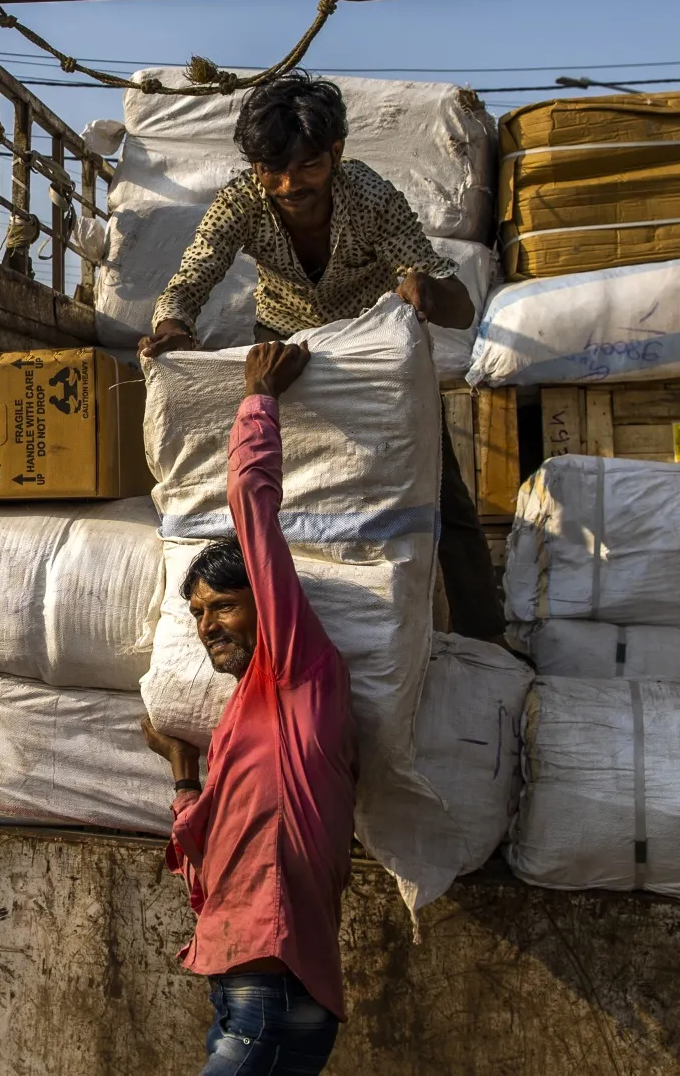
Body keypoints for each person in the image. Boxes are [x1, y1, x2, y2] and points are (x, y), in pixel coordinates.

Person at [139, 73, 502, 641]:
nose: (289, 185)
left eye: (307, 166)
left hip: (368, 361)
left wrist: (426, 290)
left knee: (443, 498)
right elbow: (194, 274)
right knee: (277, 491)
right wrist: (172, 324)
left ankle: (485, 637)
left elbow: (450, 297)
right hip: (284, 361)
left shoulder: (372, 197)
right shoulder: (242, 200)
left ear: (336, 152)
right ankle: (287, 623)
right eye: (272, 170)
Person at [144, 341, 355, 1075]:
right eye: (197, 613)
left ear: (265, 607)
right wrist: (181, 770)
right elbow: (210, 849)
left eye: (223, 606)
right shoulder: (242, 720)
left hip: (271, 983)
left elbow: (252, 511)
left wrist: (259, 400)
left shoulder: (299, 675)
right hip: (248, 980)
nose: (207, 626)